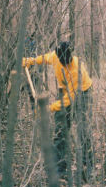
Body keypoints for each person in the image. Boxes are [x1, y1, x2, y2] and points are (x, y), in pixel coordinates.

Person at [23, 41, 93, 176]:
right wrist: (29, 61)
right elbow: (43, 58)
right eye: (62, 60)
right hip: (65, 91)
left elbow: (69, 99)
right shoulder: (54, 57)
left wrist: (49, 108)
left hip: (82, 93)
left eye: (66, 61)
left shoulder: (76, 69)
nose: (64, 63)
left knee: (83, 130)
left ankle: (88, 166)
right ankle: (59, 166)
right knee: (60, 129)